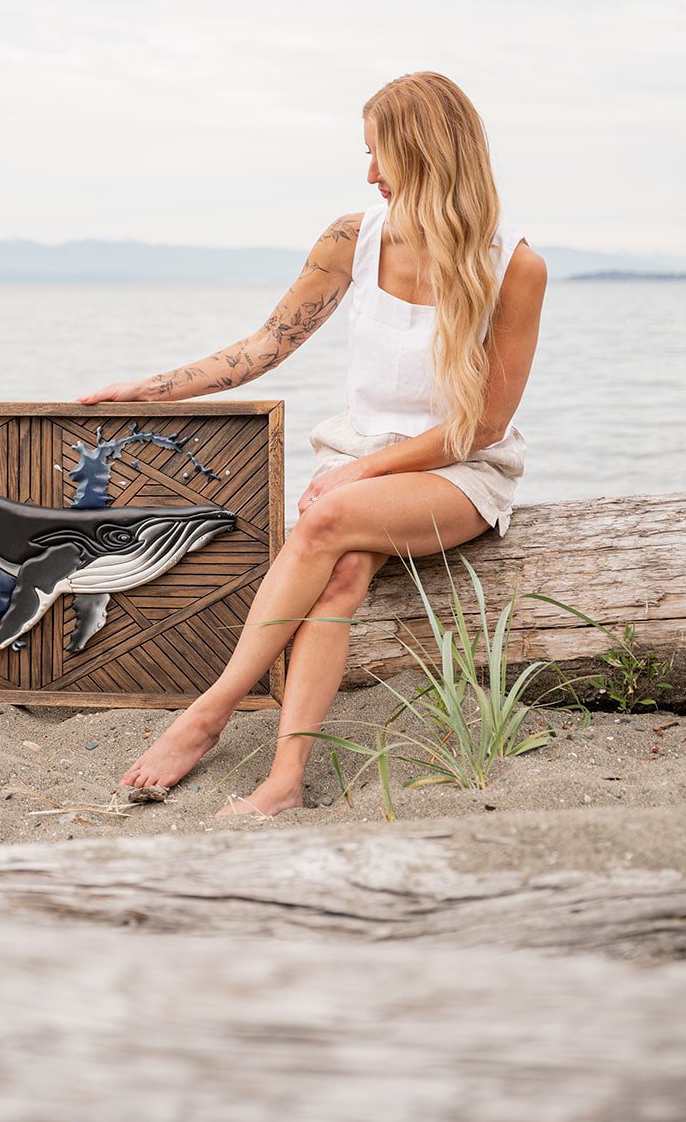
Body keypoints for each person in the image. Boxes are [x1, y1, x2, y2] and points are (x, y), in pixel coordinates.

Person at [79, 72, 547, 817]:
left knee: (327, 522)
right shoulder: (349, 238)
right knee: (341, 569)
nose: (368, 175)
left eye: (380, 155)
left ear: (426, 153)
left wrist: (365, 470)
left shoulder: (512, 265)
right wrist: (155, 388)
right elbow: (267, 344)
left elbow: (479, 427)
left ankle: (209, 711)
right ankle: (284, 779)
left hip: (456, 471)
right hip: (360, 458)